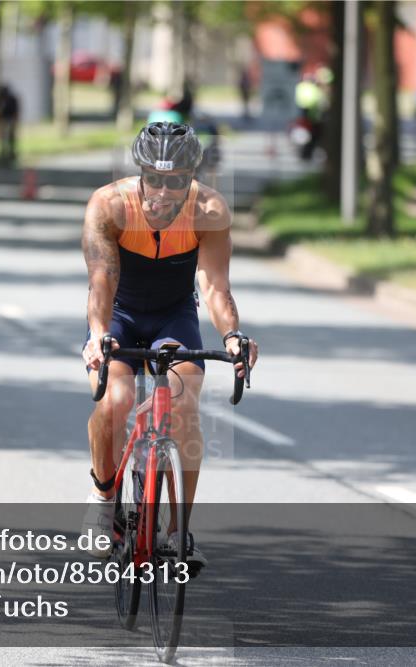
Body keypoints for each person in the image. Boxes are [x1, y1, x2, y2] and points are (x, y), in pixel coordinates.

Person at [80, 122, 259, 568]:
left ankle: (178, 534)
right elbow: (101, 281)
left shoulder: (210, 210)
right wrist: (100, 334)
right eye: (154, 179)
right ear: (140, 173)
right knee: (116, 400)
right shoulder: (109, 205)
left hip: (173, 314)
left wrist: (232, 335)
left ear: (191, 178)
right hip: (119, 314)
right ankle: (104, 499)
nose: (163, 190)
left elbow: (215, 286)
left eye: (176, 181)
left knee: (182, 406)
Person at [0, 84, 19, 165]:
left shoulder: (11, 99)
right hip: (3, 120)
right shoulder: (1, 99)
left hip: (9, 120)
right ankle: (3, 153)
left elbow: (15, 111)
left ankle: (11, 153)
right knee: (3, 138)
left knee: (10, 137)